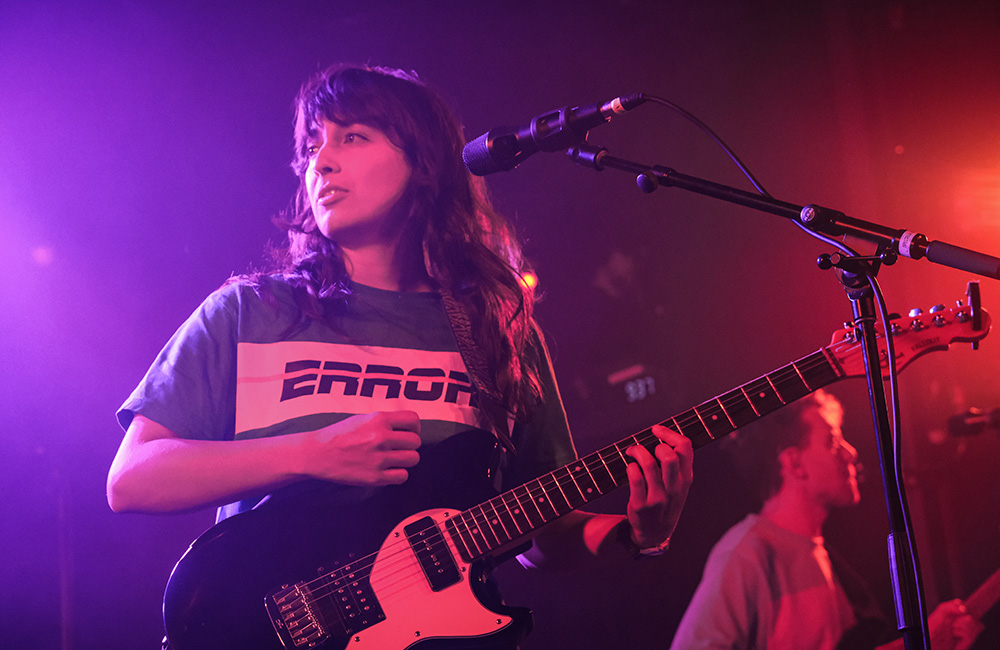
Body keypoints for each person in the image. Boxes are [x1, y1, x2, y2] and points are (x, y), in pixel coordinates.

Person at [106, 64, 693, 647]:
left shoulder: (497, 331)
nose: (321, 161)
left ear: (424, 163)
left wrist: (641, 536)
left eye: (352, 137)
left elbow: (541, 532)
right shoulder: (248, 312)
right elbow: (132, 479)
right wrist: (312, 453)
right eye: (313, 145)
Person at [668, 389, 983, 650]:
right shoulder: (745, 553)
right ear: (794, 463)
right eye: (833, 441)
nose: (851, 452)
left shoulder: (820, 554)